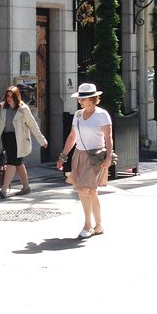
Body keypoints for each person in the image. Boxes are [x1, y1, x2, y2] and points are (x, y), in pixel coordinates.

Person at [56, 82, 113, 239]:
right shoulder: (78, 115)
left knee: (85, 190)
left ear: (93, 99)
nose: (80, 101)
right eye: (80, 98)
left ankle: (88, 225)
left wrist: (108, 157)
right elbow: (72, 137)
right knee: (91, 192)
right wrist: (63, 156)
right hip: (79, 156)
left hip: (96, 156)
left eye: (84, 98)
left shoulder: (102, 114)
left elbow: (108, 137)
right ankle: (99, 224)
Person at [0, 85, 48, 198]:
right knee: (18, 163)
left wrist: (41, 140)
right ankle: (26, 187)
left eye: (11, 96)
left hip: (18, 140)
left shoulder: (23, 109)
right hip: (7, 138)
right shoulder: (4, 108)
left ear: (16, 97)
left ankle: (4, 189)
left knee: (11, 163)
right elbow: (1, 125)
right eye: (7, 96)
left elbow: (33, 125)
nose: (9, 98)